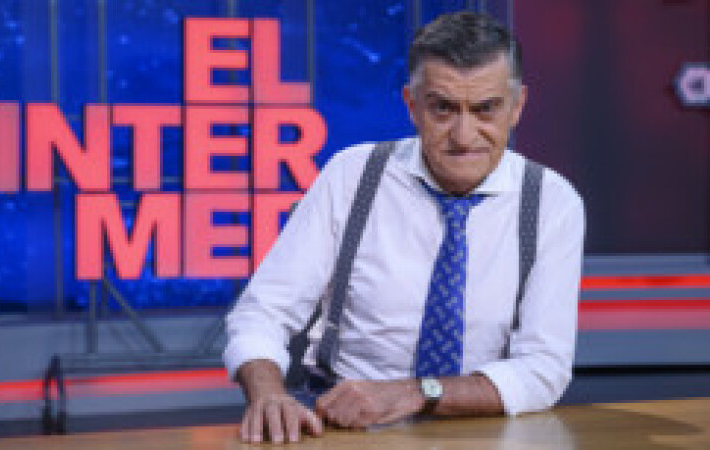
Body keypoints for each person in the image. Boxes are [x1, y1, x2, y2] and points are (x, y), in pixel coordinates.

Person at [223, 11, 585, 444]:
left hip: (486, 430)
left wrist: (414, 393)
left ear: (517, 106)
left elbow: (543, 369)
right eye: (443, 108)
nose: (463, 135)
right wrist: (268, 394)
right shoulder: (352, 175)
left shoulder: (551, 202)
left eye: (485, 109)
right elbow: (262, 312)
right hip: (346, 426)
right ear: (412, 105)